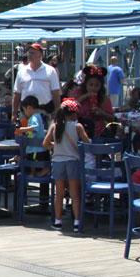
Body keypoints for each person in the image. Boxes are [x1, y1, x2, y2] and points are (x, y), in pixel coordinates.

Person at [43, 98, 90, 232]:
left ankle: (58, 222)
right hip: (73, 161)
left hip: (58, 162)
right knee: (75, 194)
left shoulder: (54, 126)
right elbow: (87, 143)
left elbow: (45, 144)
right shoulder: (77, 126)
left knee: (59, 193)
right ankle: (77, 222)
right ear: (75, 114)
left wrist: (55, 146)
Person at [12, 42, 61, 119]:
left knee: (43, 131)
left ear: (40, 55)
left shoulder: (50, 71)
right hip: (26, 113)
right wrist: (14, 113)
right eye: (29, 53)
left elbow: (55, 93)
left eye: (32, 53)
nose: (29, 55)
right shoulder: (22, 71)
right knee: (26, 131)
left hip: (44, 111)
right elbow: (17, 93)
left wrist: (57, 111)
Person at [70, 65, 115, 138]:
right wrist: (85, 96)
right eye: (91, 85)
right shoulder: (77, 93)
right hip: (77, 134)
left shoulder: (104, 98)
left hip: (99, 134)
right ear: (86, 84)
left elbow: (112, 118)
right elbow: (69, 105)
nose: (93, 88)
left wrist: (102, 113)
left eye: (97, 85)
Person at [14, 95, 48, 177]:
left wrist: (24, 129)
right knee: (32, 158)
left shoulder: (34, 117)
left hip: (36, 145)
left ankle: (45, 169)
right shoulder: (38, 116)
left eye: (24, 110)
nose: (24, 113)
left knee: (35, 158)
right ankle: (32, 172)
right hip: (36, 145)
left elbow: (35, 127)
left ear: (29, 108)